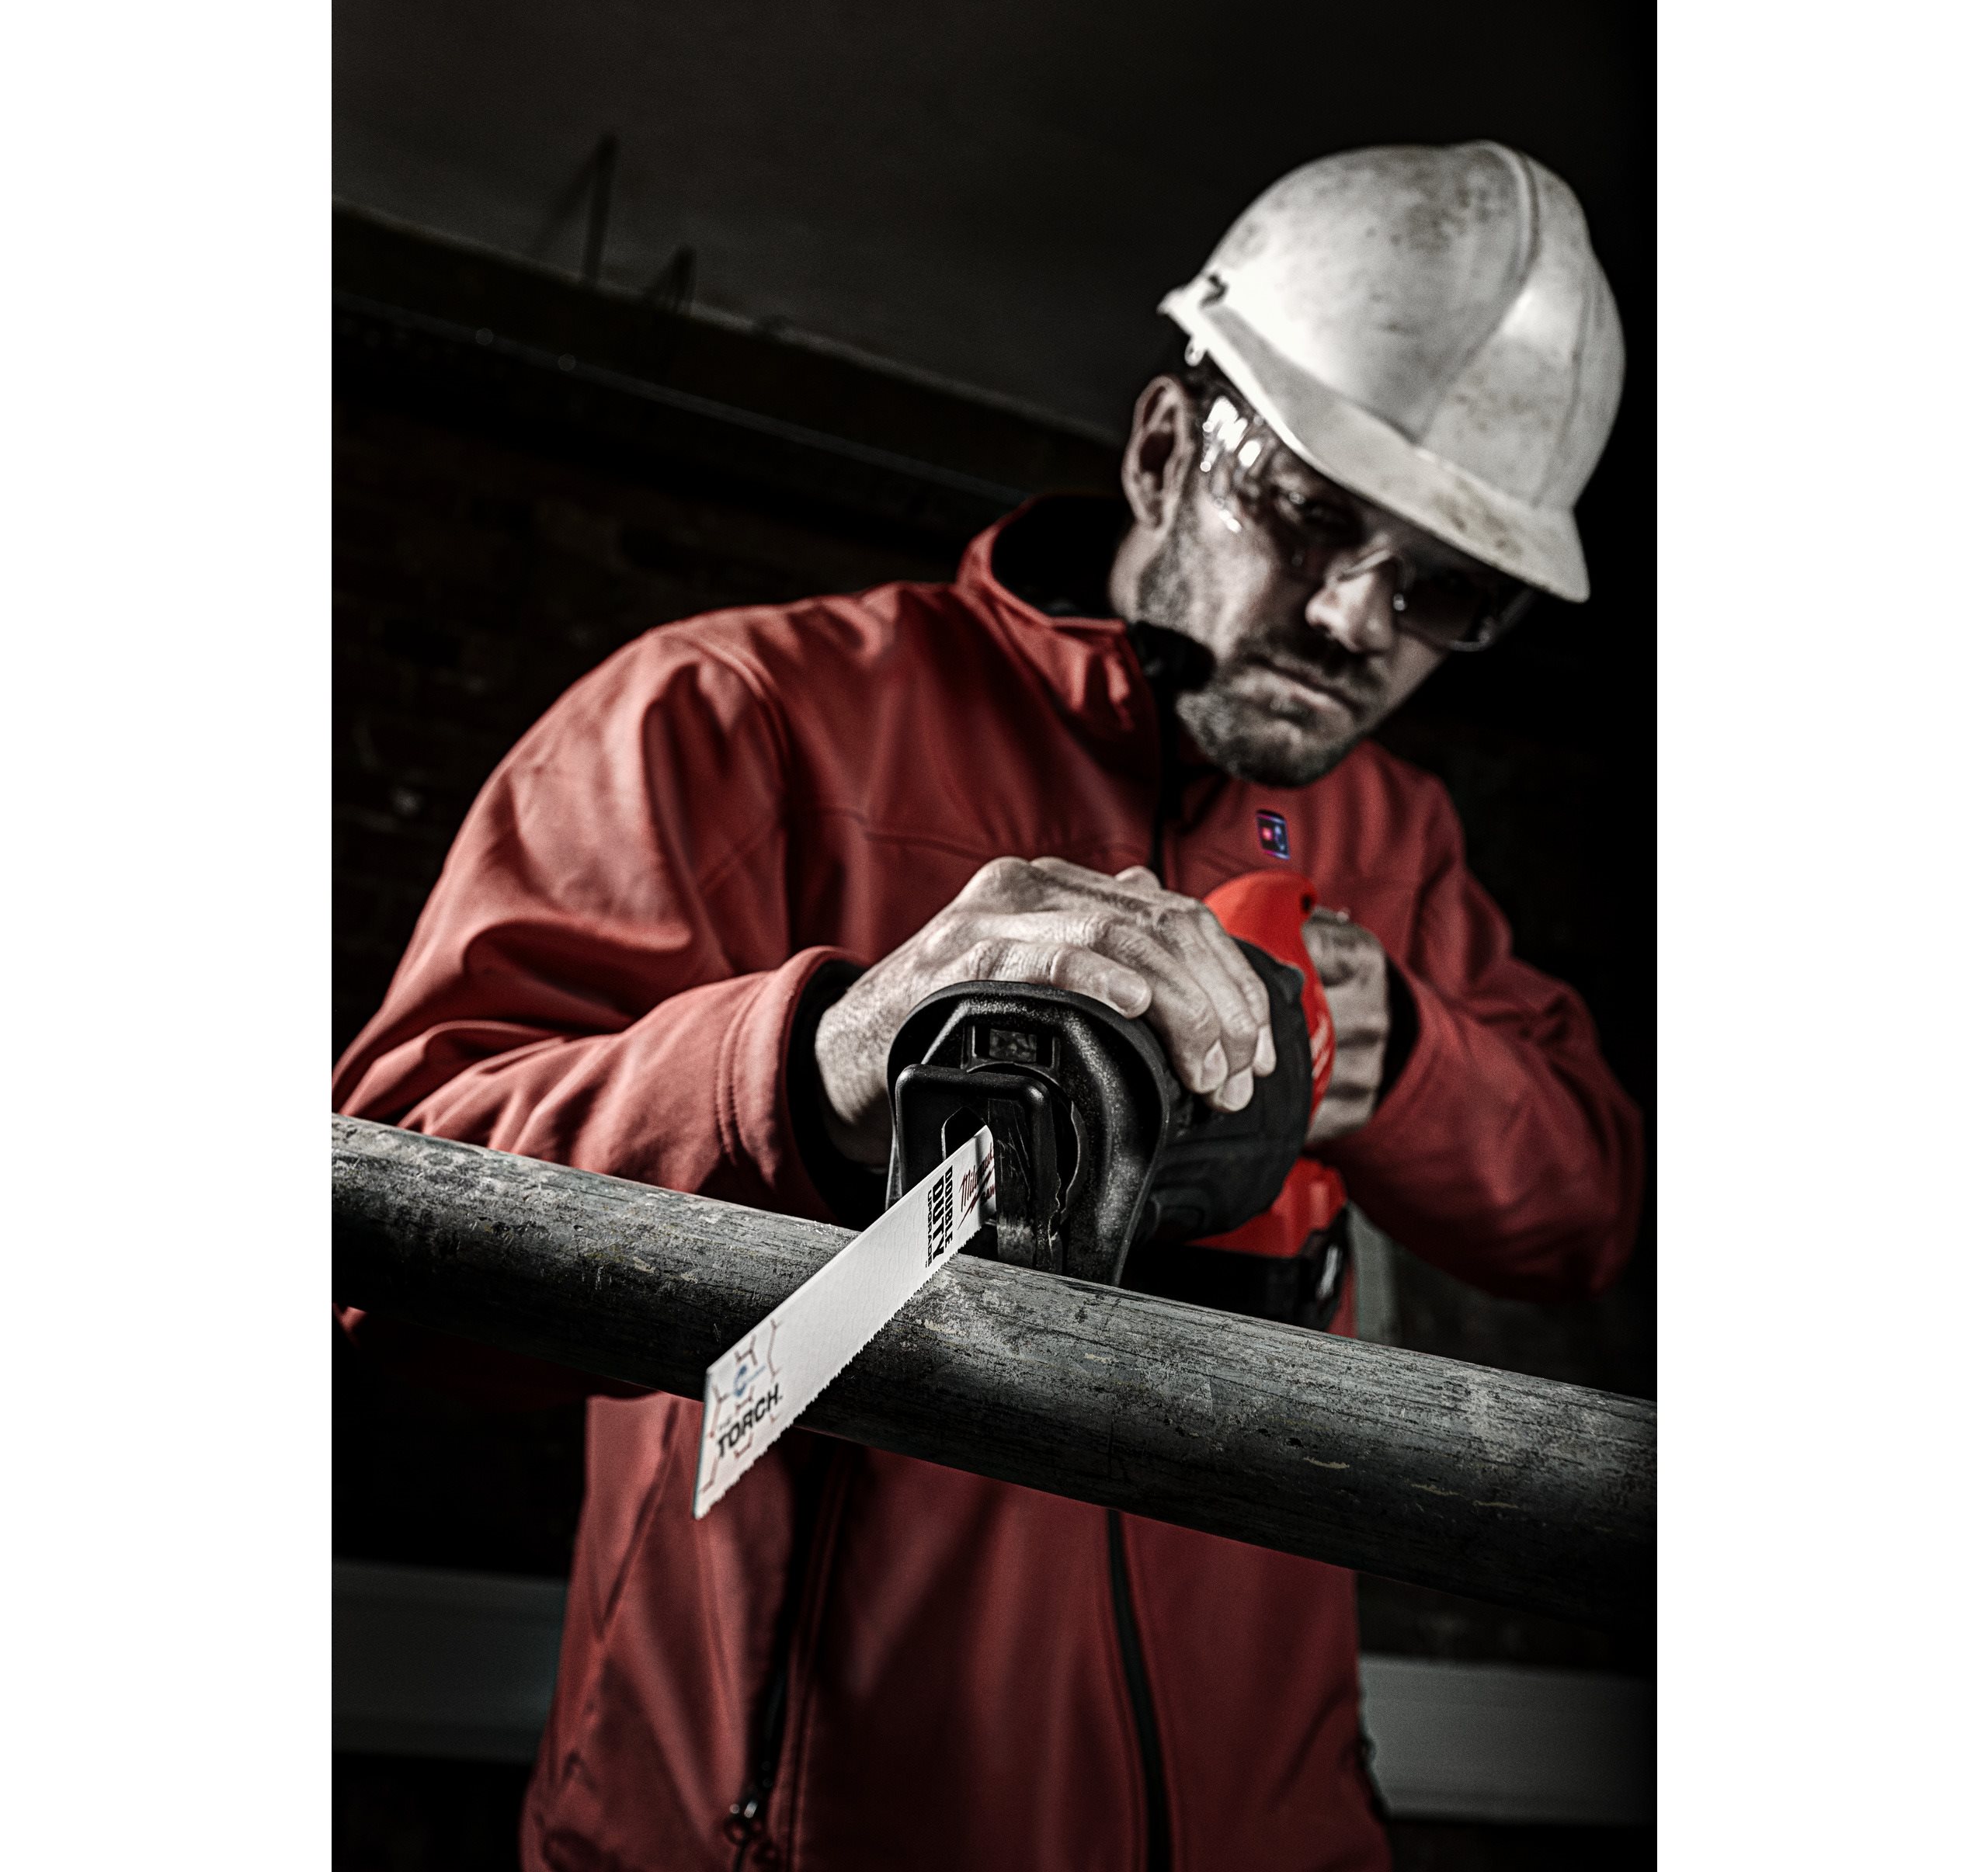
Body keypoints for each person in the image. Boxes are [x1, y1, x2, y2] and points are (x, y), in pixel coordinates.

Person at [335, 140, 1644, 1872]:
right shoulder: (731, 716)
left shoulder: (1389, 836)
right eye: (1311, 511)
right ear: (1164, 451)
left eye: (1440, 588)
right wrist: (816, 1068)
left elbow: (1590, 1212)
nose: (1352, 621)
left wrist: (1398, 1058)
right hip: (802, 1835)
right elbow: (386, 1242)